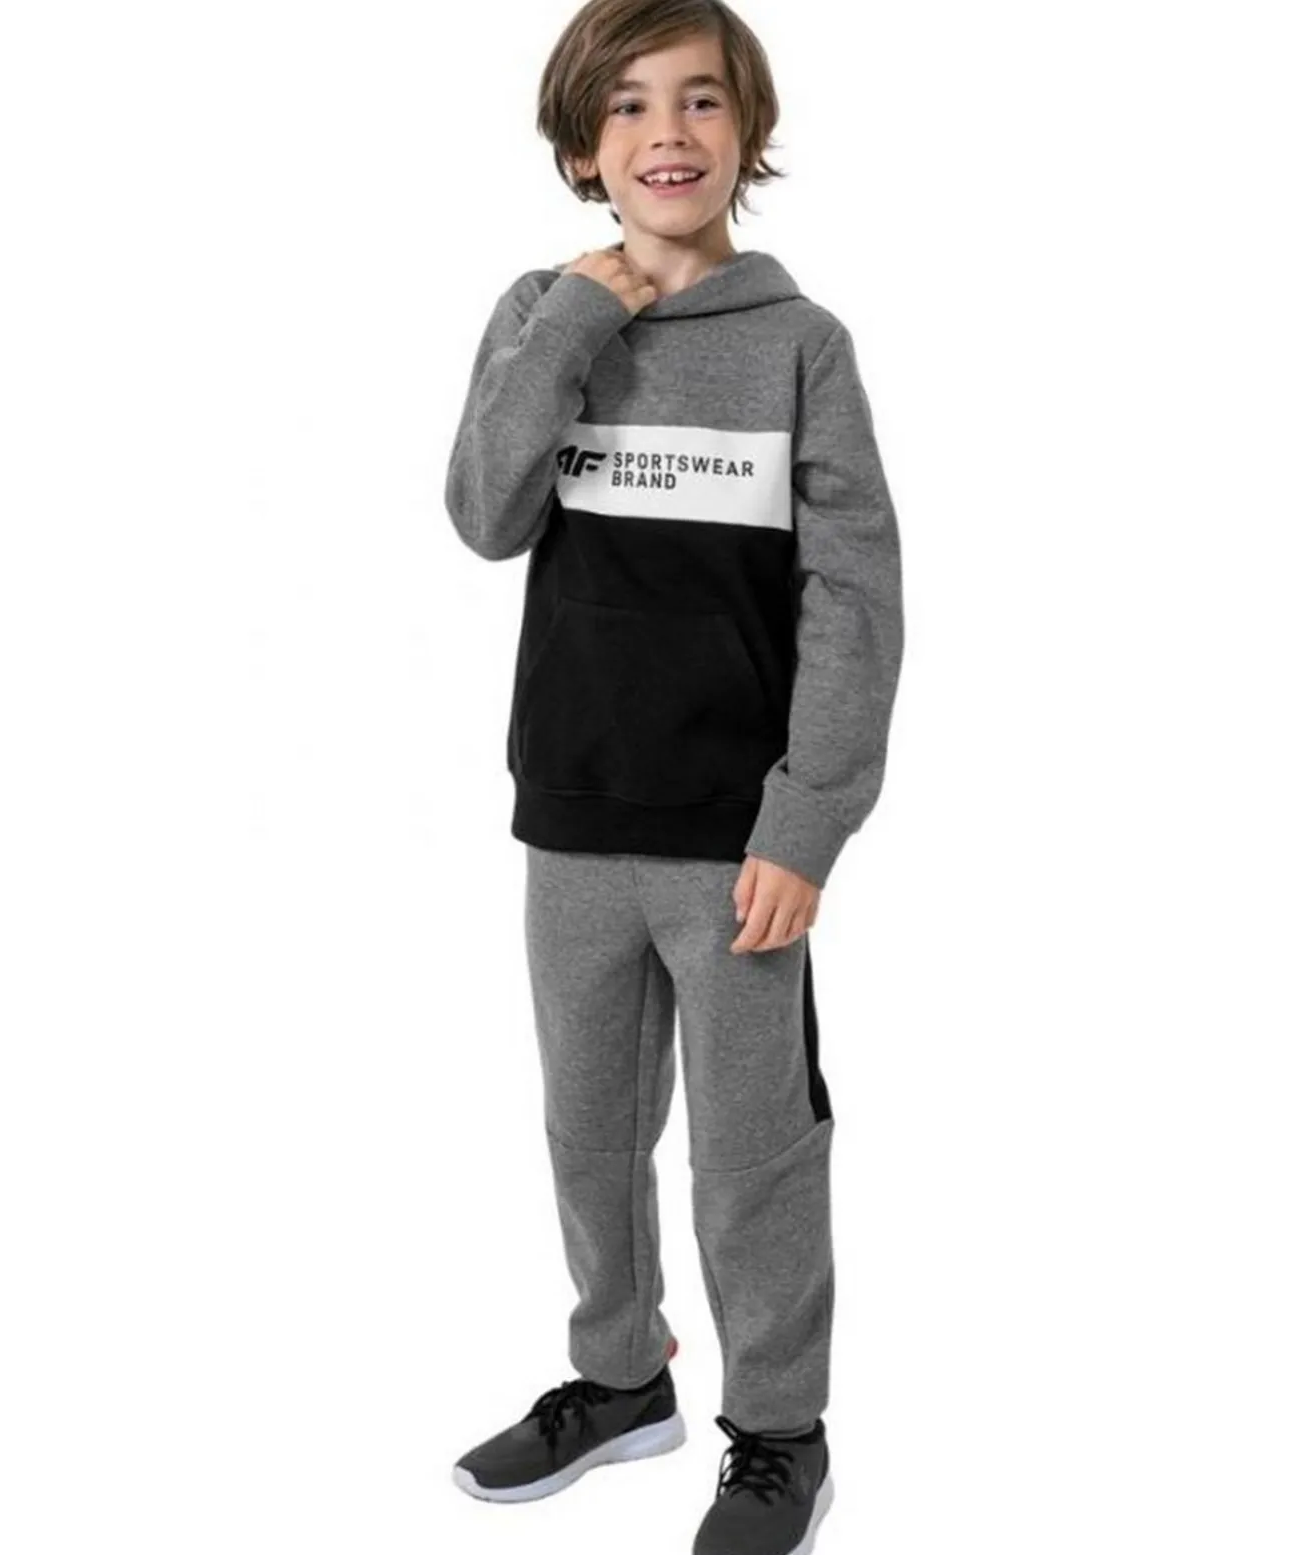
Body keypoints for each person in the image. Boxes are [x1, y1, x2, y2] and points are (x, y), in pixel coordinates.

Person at [442, 3, 904, 1551]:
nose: (668, 133)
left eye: (702, 101)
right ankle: (620, 1375)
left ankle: (778, 1428)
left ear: (745, 134)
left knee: (752, 1154)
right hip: (573, 820)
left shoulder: (801, 347)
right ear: (586, 148)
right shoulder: (540, 314)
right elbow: (485, 513)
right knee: (588, 1131)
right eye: (630, 106)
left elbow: (854, 603)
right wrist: (578, 320)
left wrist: (808, 819)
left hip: (736, 844)